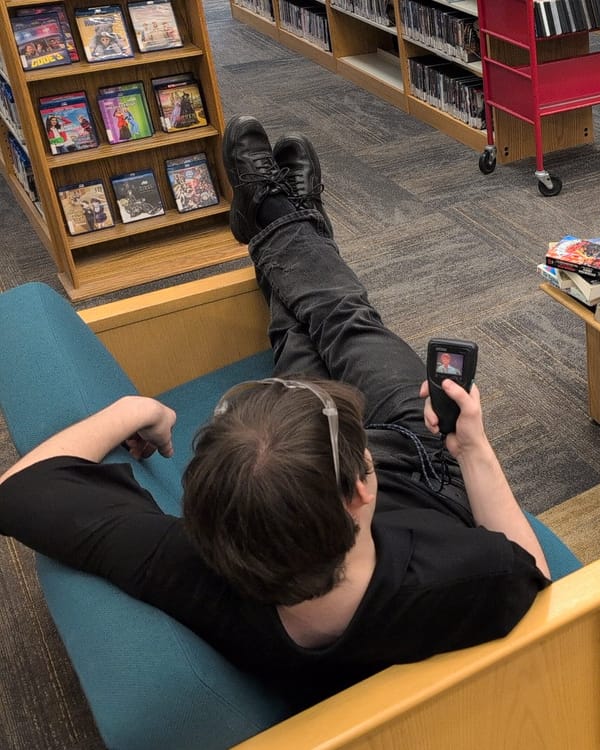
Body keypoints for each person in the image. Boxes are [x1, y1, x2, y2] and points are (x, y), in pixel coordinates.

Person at [0, 115, 550, 710]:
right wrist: (472, 447)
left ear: (208, 518)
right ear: (362, 488)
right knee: (343, 318)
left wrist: (131, 407)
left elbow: (20, 488)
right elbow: (531, 568)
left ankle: (275, 214)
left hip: (318, 479)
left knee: (303, 337)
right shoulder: (465, 577)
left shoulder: (199, 575)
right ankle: (287, 218)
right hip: (427, 463)